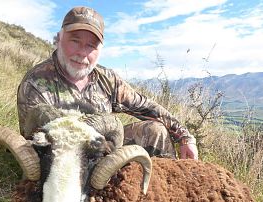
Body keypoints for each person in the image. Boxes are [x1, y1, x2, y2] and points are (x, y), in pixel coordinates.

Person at [17, 6, 198, 160]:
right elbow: (36, 144)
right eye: (75, 41)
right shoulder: (36, 83)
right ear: (59, 39)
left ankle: (165, 192)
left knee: (155, 131)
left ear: (99, 50)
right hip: (63, 158)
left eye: (91, 46)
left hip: (105, 150)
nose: (82, 52)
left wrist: (185, 137)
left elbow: (146, 108)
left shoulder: (106, 79)